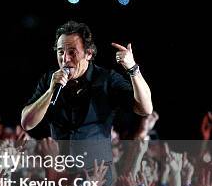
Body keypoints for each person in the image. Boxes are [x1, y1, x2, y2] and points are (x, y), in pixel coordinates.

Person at [21, 21, 153, 172]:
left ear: (89, 53)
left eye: (72, 52)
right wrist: (50, 91)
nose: (65, 59)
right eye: (60, 52)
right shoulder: (49, 80)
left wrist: (133, 69)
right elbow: (27, 123)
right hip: (60, 176)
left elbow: (145, 108)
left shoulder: (107, 79)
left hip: (98, 176)